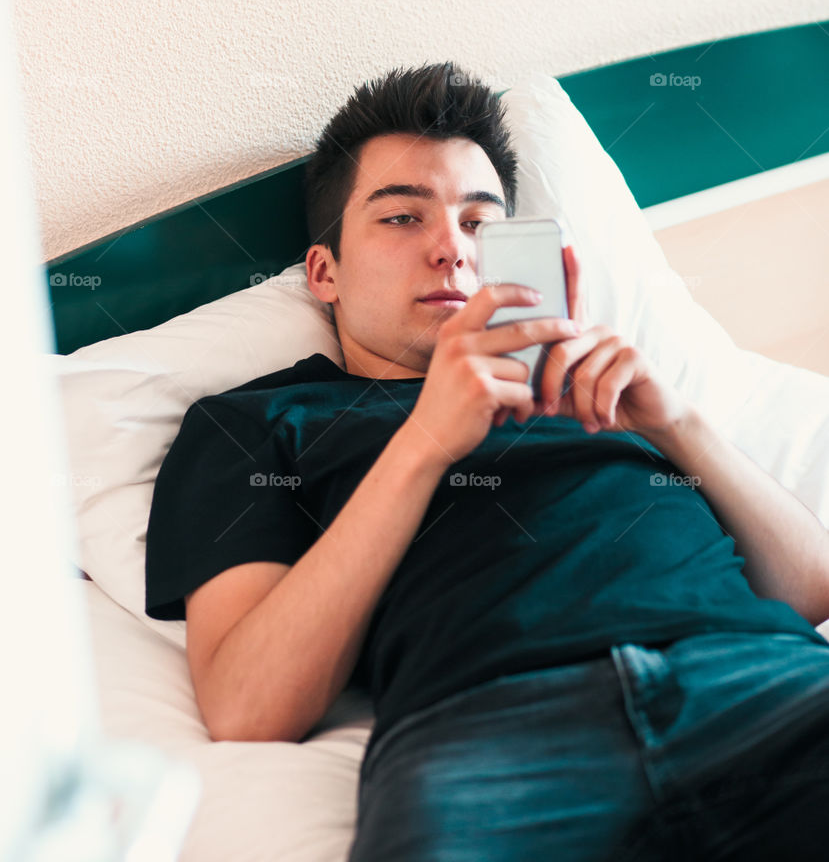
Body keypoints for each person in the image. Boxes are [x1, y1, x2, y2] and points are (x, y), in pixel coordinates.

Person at [145, 61, 829, 860]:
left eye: (479, 222)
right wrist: (426, 442)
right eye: (402, 219)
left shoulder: (601, 390)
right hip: (486, 735)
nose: (450, 251)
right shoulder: (252, 424)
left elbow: (808, 590)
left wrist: (675, 423)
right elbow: (248, 706)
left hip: (752, 683)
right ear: (323, 272)